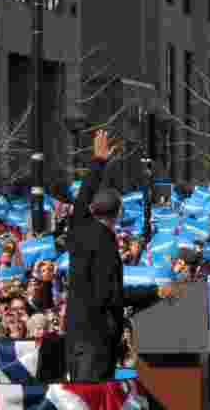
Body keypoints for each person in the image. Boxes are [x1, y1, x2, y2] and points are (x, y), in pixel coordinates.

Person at [64, 130, 172, 381]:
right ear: (119, 213)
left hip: (75, 334)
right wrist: (154, 293)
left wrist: (98, 163)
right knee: (93, 399)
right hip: (96, 339)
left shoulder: (79, 230)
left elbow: (82, 200)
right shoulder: (105, 244)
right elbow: (109, 295)